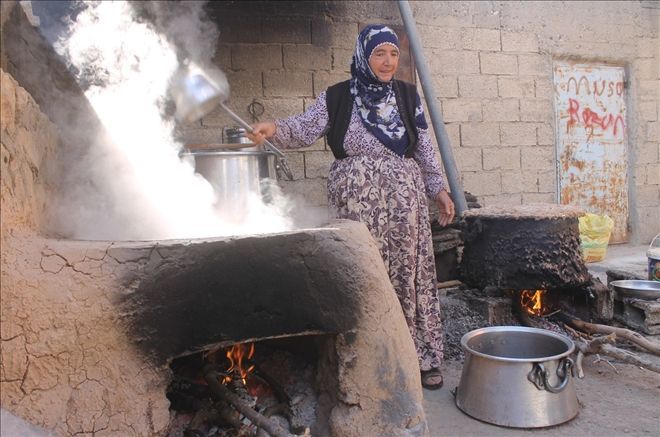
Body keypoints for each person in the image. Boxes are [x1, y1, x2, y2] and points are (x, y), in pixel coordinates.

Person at [248, 24, 455, 390]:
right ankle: (369, 357)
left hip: (403, 204)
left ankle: (417, 357)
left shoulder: (407, 96)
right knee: (363, 273)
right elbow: (304, 128)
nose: (388, 61)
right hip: (355, 203)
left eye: (393, 53)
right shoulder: (338, 97)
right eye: (379, 53)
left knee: (408, 276)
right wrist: (273, 128)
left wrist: (438, 187)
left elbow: (423, 145)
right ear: (364, 55)